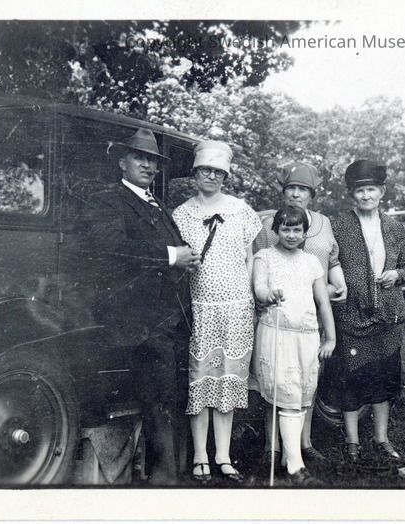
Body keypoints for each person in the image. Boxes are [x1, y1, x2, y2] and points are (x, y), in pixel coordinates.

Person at [82, 128, 201, 485]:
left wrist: (185, 258)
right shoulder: (108, 201)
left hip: (168, 320)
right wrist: (172, 256)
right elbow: (111, 249)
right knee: (159, 397)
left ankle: (166, 473)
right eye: (140, 158)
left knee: (168, 397)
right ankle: (165, 479)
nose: (148, 166)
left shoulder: (157, 205)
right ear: (122, 162)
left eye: (153, 160)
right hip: (136, 322)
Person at [172, 140, 262, 483]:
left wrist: (250, 296)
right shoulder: (181, 214)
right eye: (205, 170)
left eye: (218, 172)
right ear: (195, 173)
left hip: (237, 308)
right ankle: (200, 455)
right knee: (201, 379)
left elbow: (251, 258)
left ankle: (223, 455)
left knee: (228, 381)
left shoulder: (241, 210)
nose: (211, 176)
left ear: (225, 176)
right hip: (201, 308)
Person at [251, 162, 347, 465]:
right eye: (291, 188)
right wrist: (264, 296)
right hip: (276, 317)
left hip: (309, 316)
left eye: (302, 189)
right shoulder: (267, 223)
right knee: (276, 382)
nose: (296, 194)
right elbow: (258, 271)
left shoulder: (323, 224)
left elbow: (332, 261)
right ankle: (273, 446)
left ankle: (303, 443)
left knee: (305, 382)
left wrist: (339, 284)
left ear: (312, 194)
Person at [328, 159, 405, 464]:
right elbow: (327, 263)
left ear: (382, 192)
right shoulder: (338, 226)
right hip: (351, 314)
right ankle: (352, 441)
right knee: (351, 378)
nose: (366, 196)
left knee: (383, 378)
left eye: (371, 190)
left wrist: (397, 275)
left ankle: (382, 438)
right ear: (352, 194)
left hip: (388, 315)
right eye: (359, 190)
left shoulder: (394, 227)